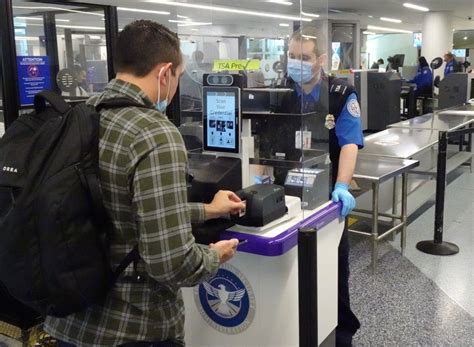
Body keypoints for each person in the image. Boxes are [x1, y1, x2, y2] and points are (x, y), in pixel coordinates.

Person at [44, 20, 245, 347]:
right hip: (133, 326)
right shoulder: (155, 133)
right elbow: (170, 263)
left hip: (71, 318)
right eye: (179, 76)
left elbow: (116, 206)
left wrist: (207, 210)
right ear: (165, 73)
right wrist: (212, 257)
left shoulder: (78, 117)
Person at [266, 27, 363, 346]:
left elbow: (349, 144)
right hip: (287, 193)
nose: (296, 64)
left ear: (321, 59)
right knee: (290, 268)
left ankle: (340, 333)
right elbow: (266, 140)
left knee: (334, 268)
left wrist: (342, 186)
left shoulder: (340, 93)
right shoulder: (282, 92)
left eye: (304, 58)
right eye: (292, 57)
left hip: (327, 195)